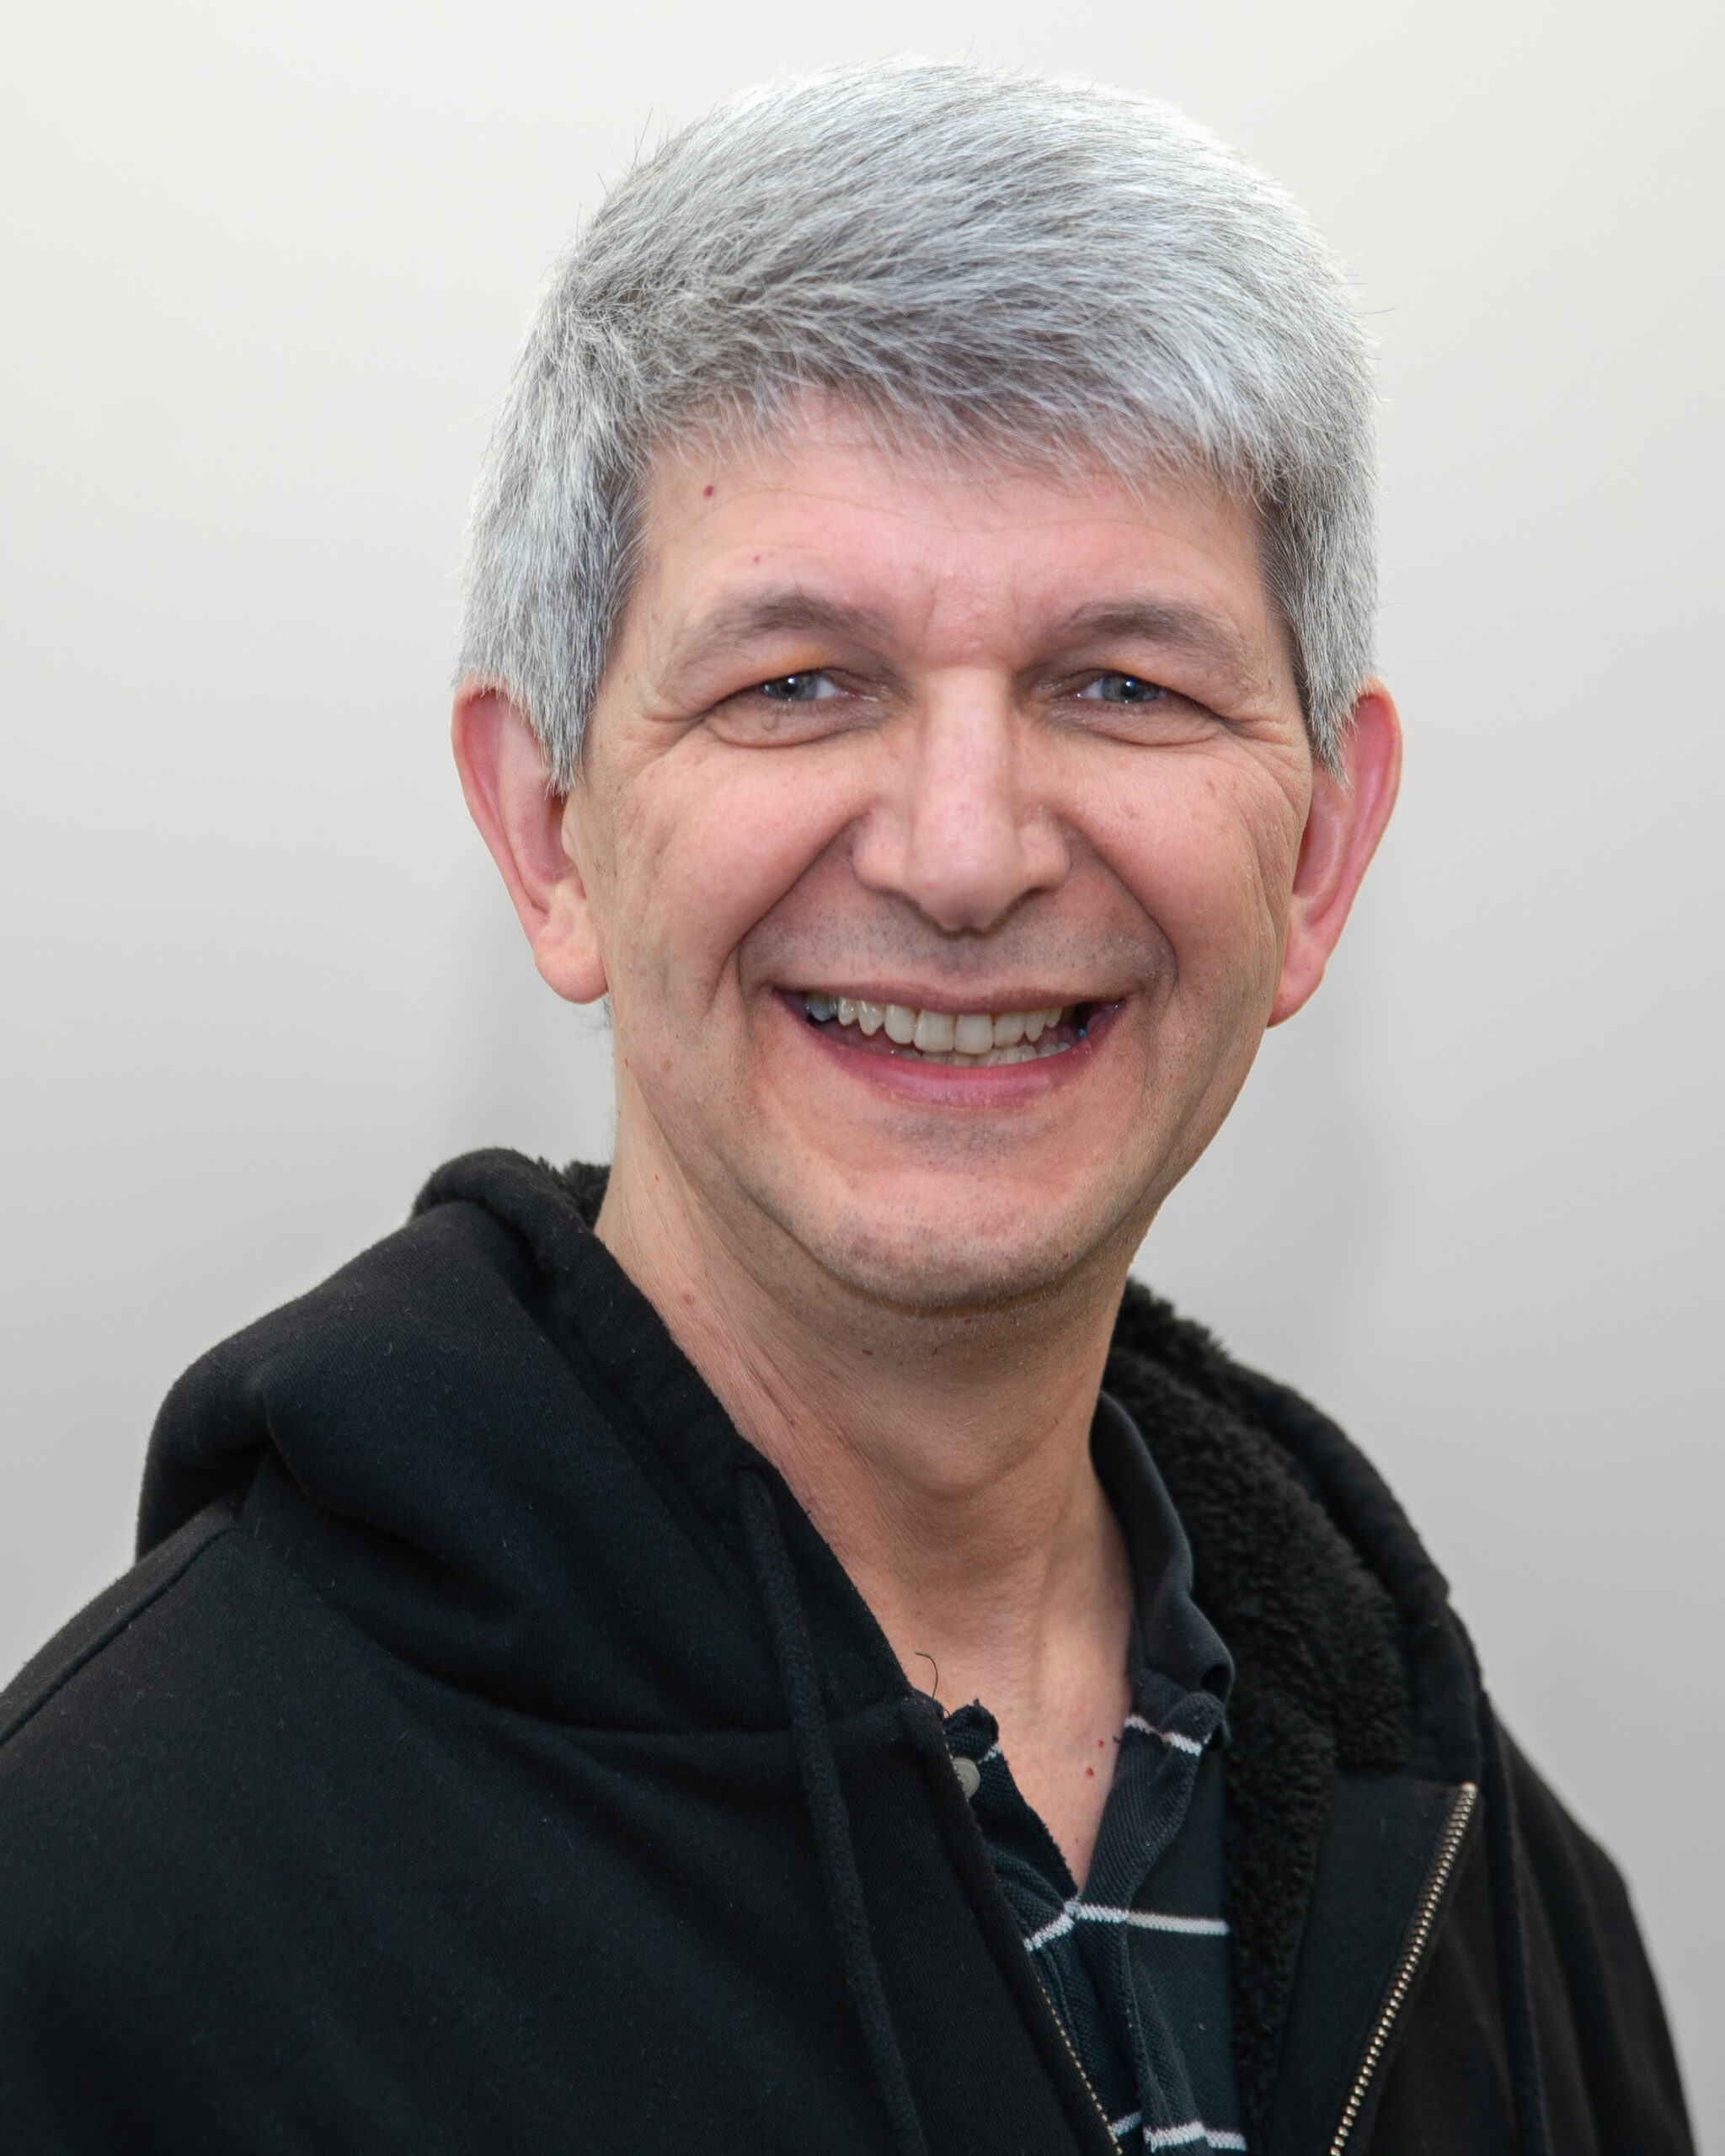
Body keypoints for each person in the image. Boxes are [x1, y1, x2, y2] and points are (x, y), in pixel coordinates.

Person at [0, 59, 1691, 2156]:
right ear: (550, 834)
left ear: (1318, 856)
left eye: (1122, 683)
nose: (964, 852)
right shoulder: (103, 1914)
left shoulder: (1490, 1901)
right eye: (797, 682)